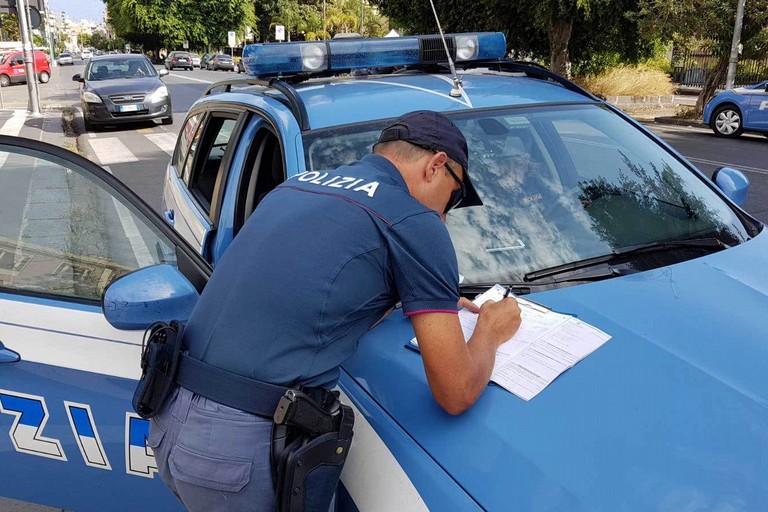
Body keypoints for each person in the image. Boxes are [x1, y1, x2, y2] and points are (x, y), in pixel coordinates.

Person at [148, 110, 522, 511]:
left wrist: (400, 296)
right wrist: (489, 330)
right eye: (455, 195)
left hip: (168, 419)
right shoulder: (414, 220)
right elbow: (456, 391)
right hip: (238, 451)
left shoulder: (296, 186)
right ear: (436, 165)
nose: (445, 214)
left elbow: (305, 286)